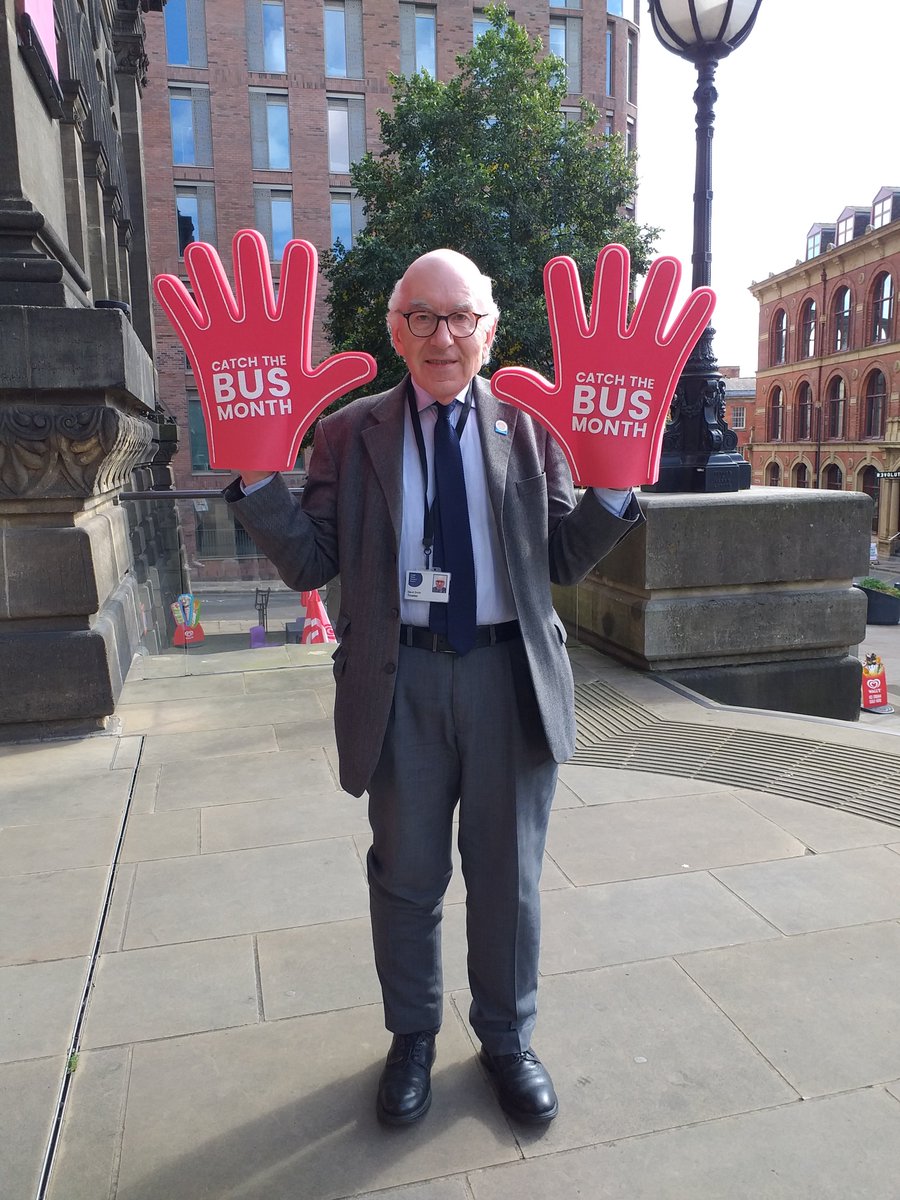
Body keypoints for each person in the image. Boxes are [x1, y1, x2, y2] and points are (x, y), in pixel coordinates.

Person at [225, 248, 642, 1127]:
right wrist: (259, 478)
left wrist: (613, 490)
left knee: (508, 880)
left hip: (507, 678)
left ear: (490, 329)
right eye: (422, 316)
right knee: (406, 875)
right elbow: (311, 559)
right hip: (399, 678)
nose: (442, 336)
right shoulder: (350, 433)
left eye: (460, 317)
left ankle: (507, 1040)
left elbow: (563, 558)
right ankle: (412, 1035)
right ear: (395, 330)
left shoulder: (533, 426)